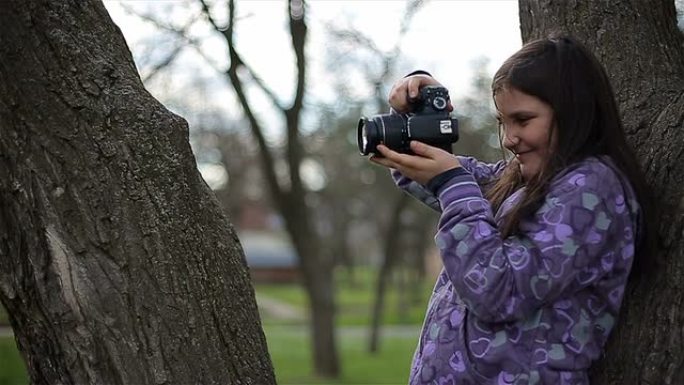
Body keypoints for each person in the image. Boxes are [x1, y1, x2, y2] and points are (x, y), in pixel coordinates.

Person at [370, 35, 654, 384]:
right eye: (504, 121)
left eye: (523, 119)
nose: (508, 138)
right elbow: (438, 176)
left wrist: (452, 185)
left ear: (573, 111)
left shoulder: (592, 189)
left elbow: (497, 290)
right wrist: (420, 109)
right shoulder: (522, 179)